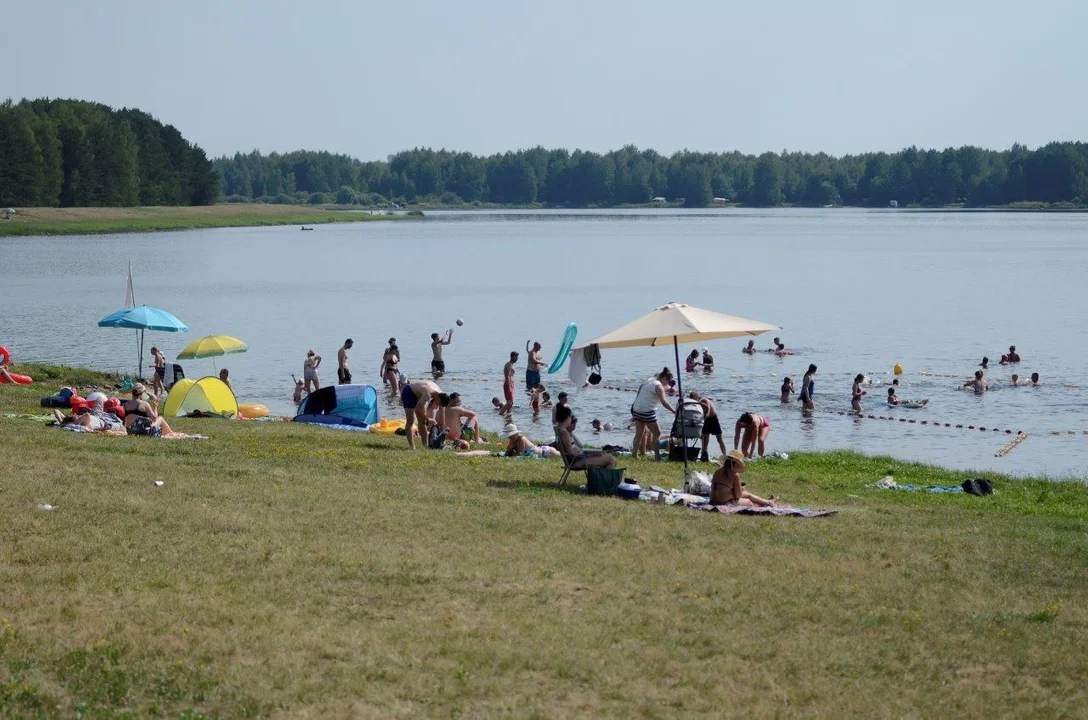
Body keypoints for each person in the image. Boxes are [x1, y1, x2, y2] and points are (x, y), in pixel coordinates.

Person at [630, 367, 676, 460]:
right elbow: (664, 402)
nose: (668, 384)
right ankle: (657, 456)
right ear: (664, 379)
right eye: (669, 382)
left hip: (636, 408)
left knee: (639, 432)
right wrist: (673, 410)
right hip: (647, 411)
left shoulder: (650, 380)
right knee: (657, 433)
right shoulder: (659, 386)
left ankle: (634, 454)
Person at [710, 450, 777, 507]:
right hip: (724, 503)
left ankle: (768, 502)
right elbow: (738, 495)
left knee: (747, 494)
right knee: (749, 501)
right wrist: (741, 489)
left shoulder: (717, 472)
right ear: (736, 464)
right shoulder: (735, 475)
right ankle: (767, 503)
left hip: (713, 501)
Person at [401, 378, 441, 449]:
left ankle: (425, 446)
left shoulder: (440, 394)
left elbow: (442, 412)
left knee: (423, 421)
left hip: (419, 395)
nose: (437, 404)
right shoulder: (429, 393)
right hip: (409, 392)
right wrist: (429, 419)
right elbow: (417, 409)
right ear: (438, 398)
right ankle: (412, 447)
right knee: (411, 420)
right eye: (437, 403)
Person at [689, 391, 726, 463]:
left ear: (696, 398)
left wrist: (702, 418)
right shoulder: (696, 404)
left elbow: (708, 411)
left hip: (712, 419)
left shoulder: (705, 400)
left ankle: (725, 455)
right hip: (704, 419)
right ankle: (704, 456)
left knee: (719, 439)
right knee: (704, 440)